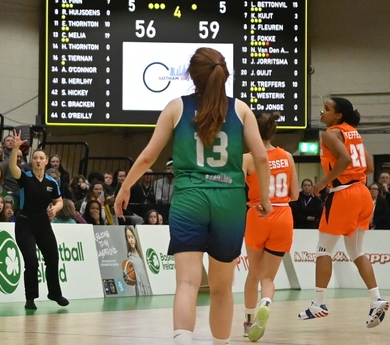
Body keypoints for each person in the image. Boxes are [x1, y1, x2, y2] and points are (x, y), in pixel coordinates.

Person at [114, 48, 271, 345]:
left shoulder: (176, 107)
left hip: (189, 200)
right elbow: (261, 158)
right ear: (224, 73)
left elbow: (148, 156)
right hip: (230, 201)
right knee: (222, 288)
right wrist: (264, 197)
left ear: (190, 75)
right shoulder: (240, 109)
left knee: (186, 283)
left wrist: (125, 188)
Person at [297, 97, 389, 328]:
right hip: (363, 193)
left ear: (338, 116)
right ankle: (376, 298)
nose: (321, 111)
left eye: (327, 109)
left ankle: (319, 303)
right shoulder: (354, 133)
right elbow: (367, 166)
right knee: (356, 251)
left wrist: (322, 183)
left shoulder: (330, 133)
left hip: (344, 193)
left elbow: (345, 159)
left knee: (322, 250)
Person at [241, 112, 299, 341]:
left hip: (258, 214)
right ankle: (266, 302)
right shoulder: (287, 156)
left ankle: (248, 322)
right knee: (268, 278)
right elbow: (294, 194)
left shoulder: (247, 158)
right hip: (283, 214)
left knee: (253, 274)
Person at [8, 130, 68, 310]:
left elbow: (59, 201)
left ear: (46, 161)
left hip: (43, 224)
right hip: (25, 224)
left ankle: (55, 293)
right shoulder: (24, 177)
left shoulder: (52, 182)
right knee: (32, 263)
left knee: (52, 258)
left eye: (41, 158)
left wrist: (54, 209)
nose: (38, 160)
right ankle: (30, 298)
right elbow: (12, 167)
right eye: (35, 158)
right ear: (32, 161)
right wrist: (15, 148)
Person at [123, 226, 152, 296]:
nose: (131, 240)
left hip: (149, 286)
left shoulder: (142, 253)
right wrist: (127, 277)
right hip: (140, 288)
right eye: (129, 237)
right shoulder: (130, 258)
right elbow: (127, 275)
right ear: (126, 240)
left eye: (132, 237)